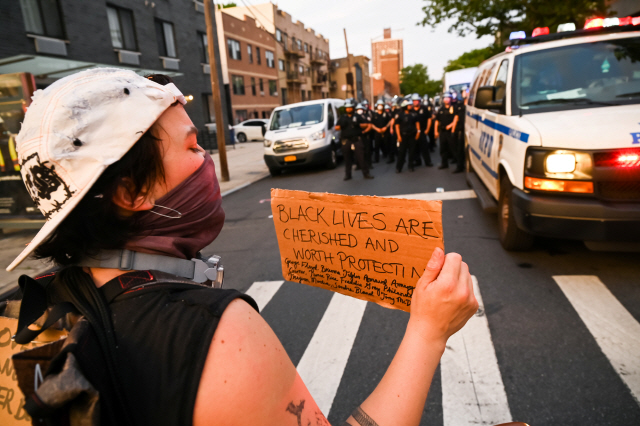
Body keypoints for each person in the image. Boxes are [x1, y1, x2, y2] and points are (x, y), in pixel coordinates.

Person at [7, 68, 477, 426]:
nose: (207, 160)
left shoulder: (18, 314)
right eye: (192, 148)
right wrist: (428, 332)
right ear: (132, 194)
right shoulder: (214, 329)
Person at [336, 100, 373, 180]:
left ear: (353, 108)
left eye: (350, 108)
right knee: (347, 158)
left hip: (356, 139)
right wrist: (342, 125)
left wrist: (358, 125)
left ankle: (366, 173)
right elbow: (336, 128)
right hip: (346, 140)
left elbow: (366, 124)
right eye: (347, 108)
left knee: (361, 157)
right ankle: (348, 175)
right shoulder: (343, 118)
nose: (348, 109)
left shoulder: (357, 116)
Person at [395, 99, 420, 173]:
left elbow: (417, 124)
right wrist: (398, 136)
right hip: (403, 136)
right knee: (402, 152)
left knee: (412, 152)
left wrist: (418, 132)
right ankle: (399, 167)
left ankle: (411, 166)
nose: (410, 106)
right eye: (409, 105)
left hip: (412, 135)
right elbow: (397, 126)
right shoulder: (399, 115)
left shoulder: (414, 114)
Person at [435, 92, 459, 170]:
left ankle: (459, 164)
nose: (446, 99)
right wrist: (436, 131)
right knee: (443, 148)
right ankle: (444, 163)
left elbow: (456, 118)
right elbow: (437, 121)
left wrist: (451, 126)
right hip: (442, 131)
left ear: (451, 99)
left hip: (451, 131)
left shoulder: (454, 108)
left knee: (454, 147)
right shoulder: (441, 109)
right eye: (445, 98)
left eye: (448, 98)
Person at [411, 93, 433, 168]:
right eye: (414, 101)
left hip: (423, 131)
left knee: (424, 147)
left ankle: (428, 162)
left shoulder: (424, 108)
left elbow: (429, 119)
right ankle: (417, 161)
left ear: (419, 101)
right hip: (414, 132)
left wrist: (427, 129)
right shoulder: (410, 109)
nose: (415, 102)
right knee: (415, 148)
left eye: (416, 101)